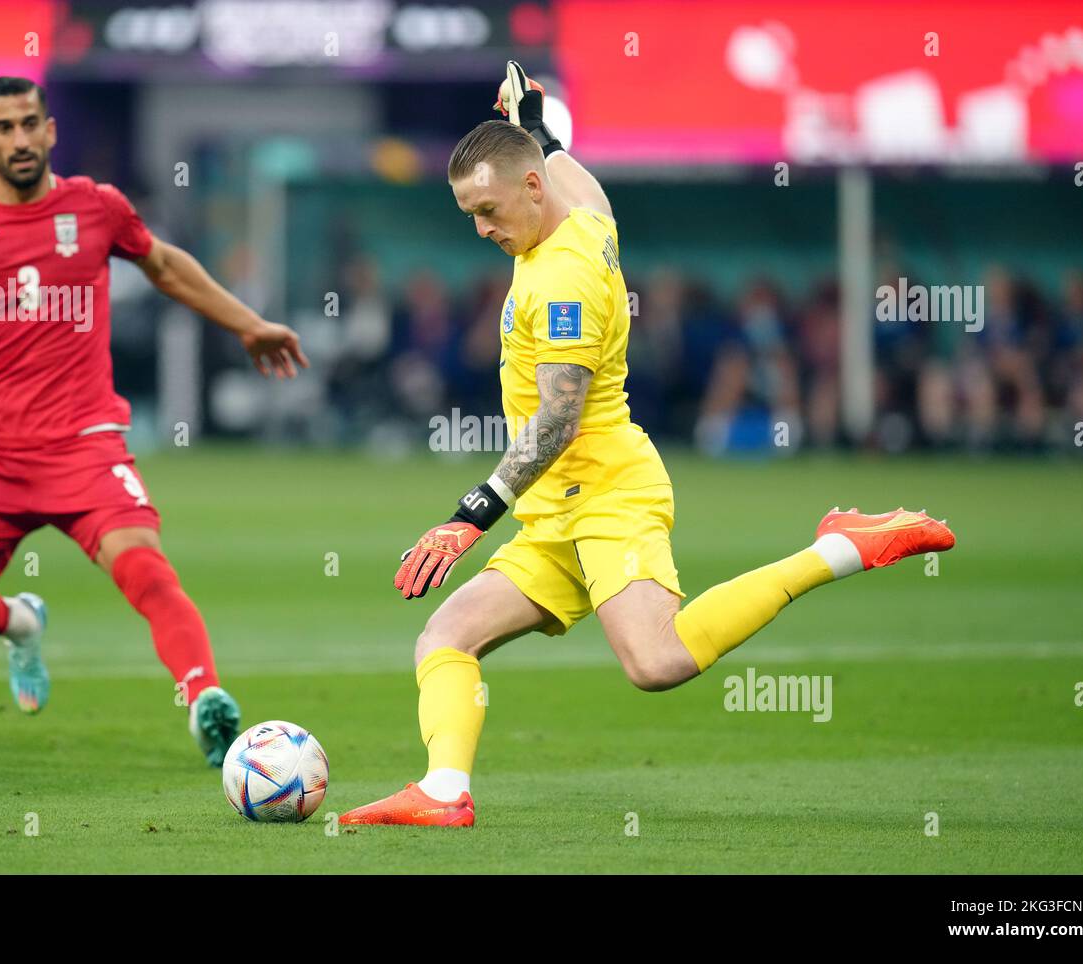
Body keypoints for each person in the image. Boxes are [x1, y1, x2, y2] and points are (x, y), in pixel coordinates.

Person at [340, 63, 955, 827]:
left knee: (656, 663)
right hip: (555, 511)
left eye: (489, 209)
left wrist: (471, 513)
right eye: (469, 213)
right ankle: (443, 791)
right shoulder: (579, 218)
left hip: (606, 492)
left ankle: (840, 547)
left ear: (532, 191)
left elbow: (558, 419)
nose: (482, 229)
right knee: (447, 634)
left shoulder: (563, 277)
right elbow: (576, 180)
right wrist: (539, 131)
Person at [0, 77, 308, 766]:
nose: (20, 139)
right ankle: (20, 620)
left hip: (85, 447)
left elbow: (167, 268)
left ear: (51, 130)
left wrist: (250, 324)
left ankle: (205, 698)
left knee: (147, 571)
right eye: (4, 128)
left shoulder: (96, 208)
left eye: (30, 124)